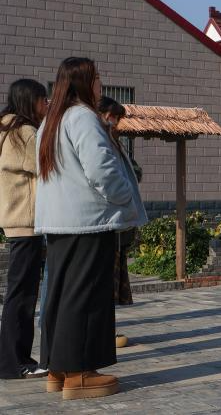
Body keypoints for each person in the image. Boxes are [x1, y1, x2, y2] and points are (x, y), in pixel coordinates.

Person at [35, 58, 147, 400]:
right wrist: (124, 196)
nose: (100, 84)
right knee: (86, 296)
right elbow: (101, 170)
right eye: (97, 78)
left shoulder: (51, 120)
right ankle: (79, 374)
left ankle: (58, 369)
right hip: (88, 220)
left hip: (60, 221)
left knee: (61, 295)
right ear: (84, 82)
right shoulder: (83, 117)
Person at [0, 79, 49, 380]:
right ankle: (13, 362)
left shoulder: (8, 128)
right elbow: (47, 165)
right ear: (30, 101)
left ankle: (17, 358)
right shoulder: (23, 131)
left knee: (21, 293)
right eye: (43, 100)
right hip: (25, 221)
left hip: (18, 219)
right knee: (22, 294)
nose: (46, 105)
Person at [96, 97, 139, 350]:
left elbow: (135, 170)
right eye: (113, 116)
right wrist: (124, 192)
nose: (116, 122)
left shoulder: (115, 141)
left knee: (112, 284)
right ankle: (102, 332)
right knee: (101, 285)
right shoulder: (95, 138)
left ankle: (107, 329)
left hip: (119, 227)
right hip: (104, 222)